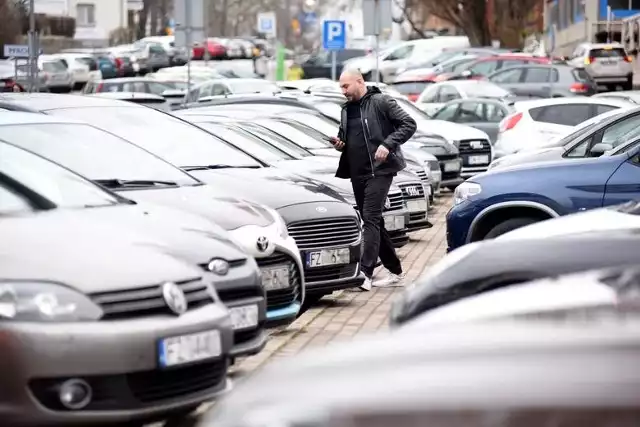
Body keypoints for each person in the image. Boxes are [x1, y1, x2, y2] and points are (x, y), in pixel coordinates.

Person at [331, 69, 417, 291]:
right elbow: (347, 137)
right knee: (374, 221)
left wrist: (387, 145)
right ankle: (395, 270)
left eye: (346, 86)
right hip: (357, 173)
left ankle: (365, 274)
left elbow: (409, 124)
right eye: (341, 87)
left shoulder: (381, 102)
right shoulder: (346, 110)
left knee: (369, 219)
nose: (343, 91)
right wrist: (340, 143)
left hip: (379, 171)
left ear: (359, 82)